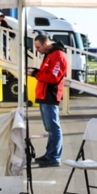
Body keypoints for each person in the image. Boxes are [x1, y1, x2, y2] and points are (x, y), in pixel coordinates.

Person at [29, 33, 68, 167]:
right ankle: (50, 154)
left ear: (45, 44)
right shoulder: (50, 55)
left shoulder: (58, 56)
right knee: (51, 128)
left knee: (54, 128)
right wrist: (35, 71)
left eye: (38, 47)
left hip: (50, 95)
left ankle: (54, 156)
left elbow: (53, 77)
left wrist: (35, 73)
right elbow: (48, 74)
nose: (37, 50)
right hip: (45, 95)